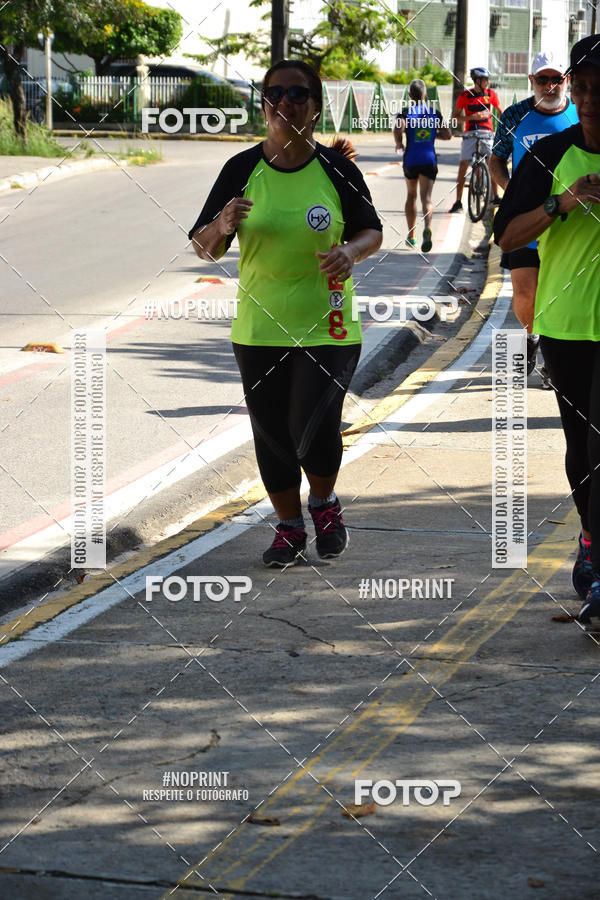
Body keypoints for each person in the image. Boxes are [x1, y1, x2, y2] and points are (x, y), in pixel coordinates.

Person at [188, 60, 383, 568]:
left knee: (312, 425)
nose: (285, 102)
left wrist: (351, 253)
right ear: (264, 105)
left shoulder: (338, 169)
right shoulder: (240, 169)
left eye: (297, 94)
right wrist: (222, 223)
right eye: (274, 93)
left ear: (315, 108)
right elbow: (204, 249)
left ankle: (323, 503)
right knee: (272, 432)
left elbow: (371, 230)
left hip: (329, 323)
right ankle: (289, 528)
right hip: (259, 326)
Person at [494, 34, 600, 630]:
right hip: (565, 326)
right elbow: (507, 235)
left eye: (596, 89)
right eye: (581, 88)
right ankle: (589, 539)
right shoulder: (548, 155)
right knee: (584, 454)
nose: (587, 99)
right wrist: (562, 204)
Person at [490, 51, 578, 380]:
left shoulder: (579, 116)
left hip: (567, 222)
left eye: (557, 79)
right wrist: (513, 192)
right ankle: (531, 336)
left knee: (560, 293)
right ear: (532, 82)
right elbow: (495, 159)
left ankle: (553, 357)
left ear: (566, 81)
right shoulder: (515, 115)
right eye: (543, 79)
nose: (551, 85)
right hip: (526, 220)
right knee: (525, 292)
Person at [393, 78, 451, 252]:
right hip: (429, 159)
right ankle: (427, 227)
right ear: (425, 95)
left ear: (410, 95)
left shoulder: (405, 113)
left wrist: (399, 144)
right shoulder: (434, 113)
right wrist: (432, 136)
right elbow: (447, 135)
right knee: (426, 198)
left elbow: (398, 129)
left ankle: (411, 236)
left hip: (411, 159)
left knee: (411, 195)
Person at [450, 66, 503, 213]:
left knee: (492, 164)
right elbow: (455, 117)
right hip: (470, 134)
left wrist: (503, 129)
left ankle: (496, 196)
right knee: (463, 167)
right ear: (477, 81)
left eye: (487, 80)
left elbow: (501, 112)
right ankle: (458, 202)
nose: (487, 82)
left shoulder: (491, 94)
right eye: (485, 80)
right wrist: (471, 117)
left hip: (487, 134)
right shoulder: (465, 96)